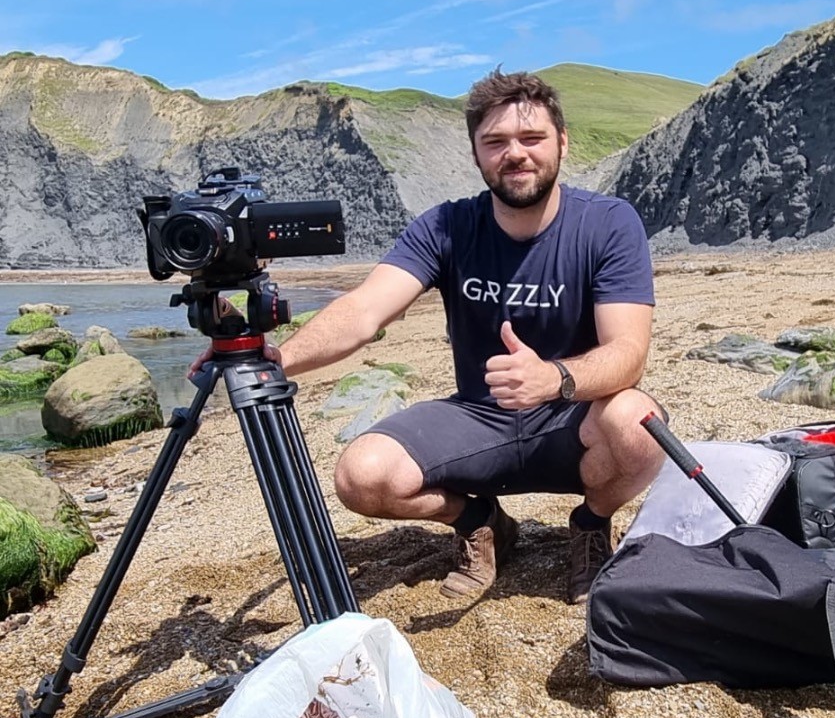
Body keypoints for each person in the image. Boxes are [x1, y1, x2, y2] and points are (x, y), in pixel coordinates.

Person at [214, 69, 665, 603]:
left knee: (639, 425)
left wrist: (555, 377)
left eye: (532, 138)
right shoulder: (445, 227)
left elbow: (627, 354)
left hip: (572, 416)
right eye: (494, 142)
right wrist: (276, 360)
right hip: (480, 417)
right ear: (476, 154)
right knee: (362, 477)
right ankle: (480, 521)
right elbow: (364, 311)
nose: (514, 154)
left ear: (562, 143)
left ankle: (591, 525)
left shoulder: (608, 224)